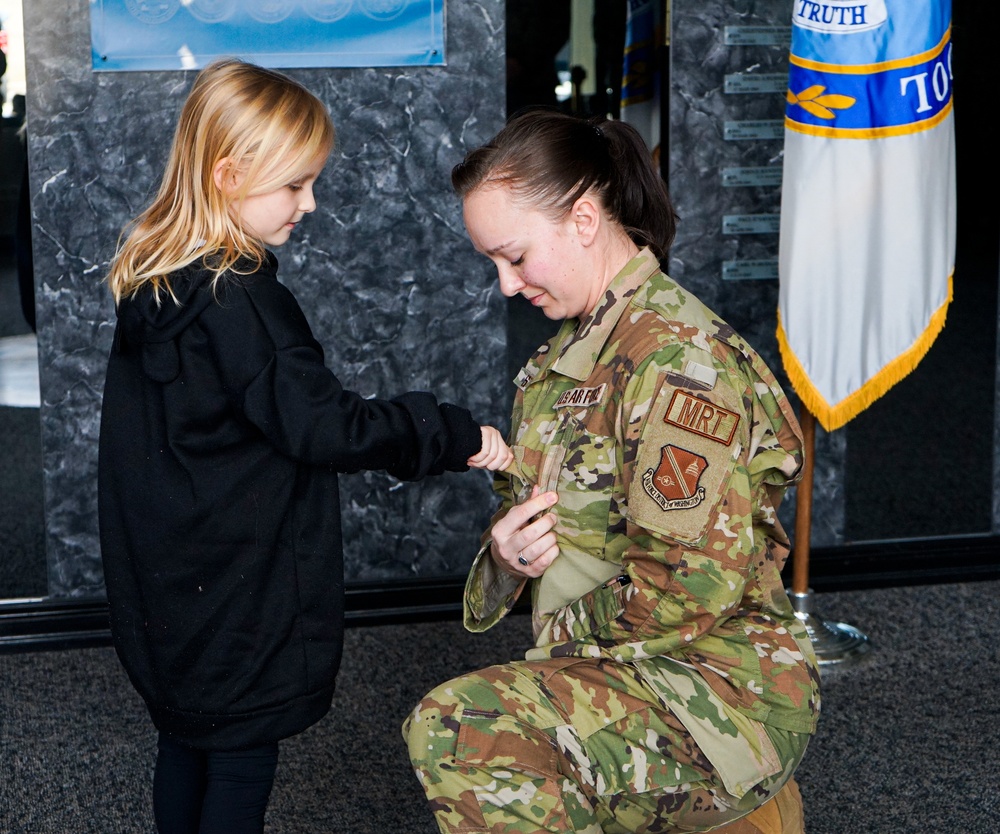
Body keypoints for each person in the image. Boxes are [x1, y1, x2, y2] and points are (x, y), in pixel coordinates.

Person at [97, 59, 512, 834]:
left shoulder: (157, 280)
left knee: (188, 738)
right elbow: (328, 426)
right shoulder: (246, 303)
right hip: (241, 587)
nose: (310, 204)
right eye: (295, 185)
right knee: (243, 752)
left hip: (171, 580)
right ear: (228, 173)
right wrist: (452, 433)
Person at [403, 110, 820, 834]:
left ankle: (750, 809)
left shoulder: (678, 364)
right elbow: (543, 522)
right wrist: (505, 558)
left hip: (717, 690)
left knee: (459, 726)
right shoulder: (559, 364)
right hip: (621, 666)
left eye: (516, 256)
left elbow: (685, 590)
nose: (505, 286)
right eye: (492, 264)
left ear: (585, 218)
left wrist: (561, 641)